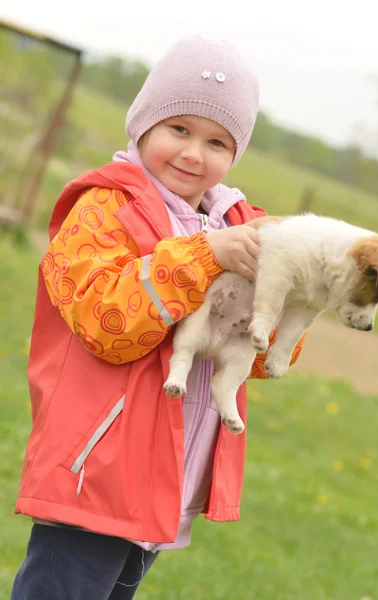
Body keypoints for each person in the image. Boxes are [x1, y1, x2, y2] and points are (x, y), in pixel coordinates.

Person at [11, 35, 305, 599]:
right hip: (94, 473)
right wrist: (205, 258)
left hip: (168, 479)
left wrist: (293, 294)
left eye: (218, 141)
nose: (195, 153)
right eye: (179, 129)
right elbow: (105, 321)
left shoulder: (238, 224)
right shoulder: (103, 209)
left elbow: (265, 361)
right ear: (143, 123)